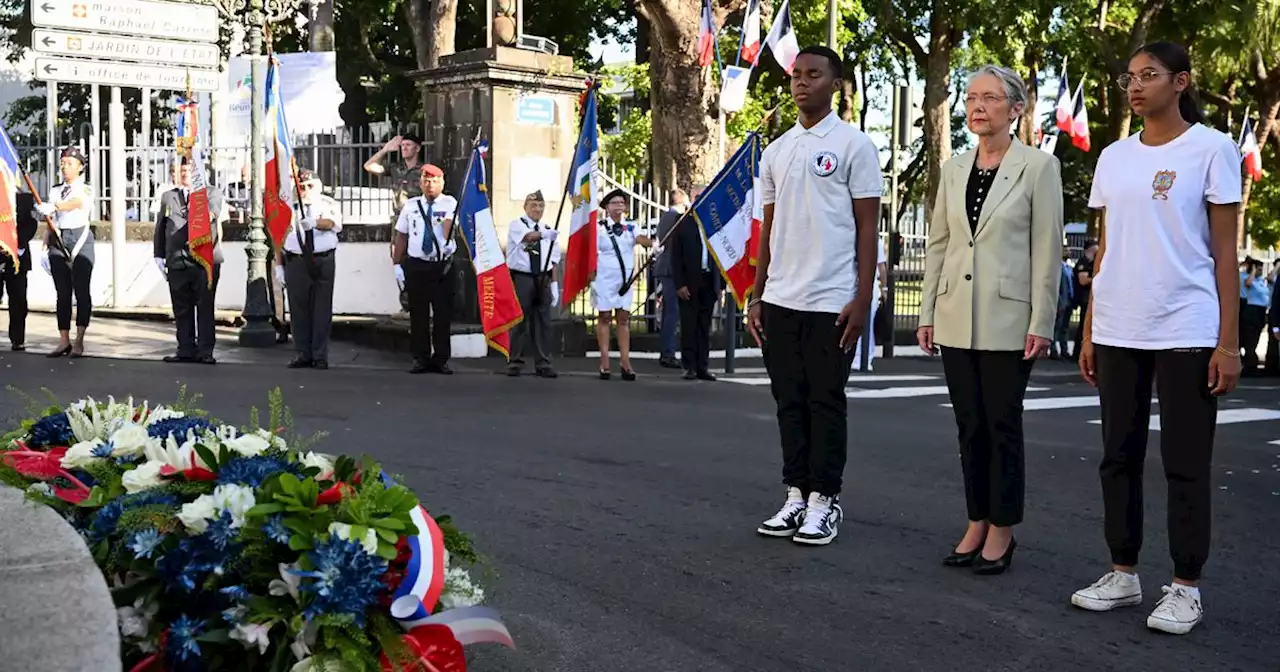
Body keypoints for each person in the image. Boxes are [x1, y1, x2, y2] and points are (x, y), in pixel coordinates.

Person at [1071, 42, 1241, 636]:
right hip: (1119, 323)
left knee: (1185, 463)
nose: (1136, 86)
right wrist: (1090, 329)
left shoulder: (1213, 149)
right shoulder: (1115, 157)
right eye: (1130, 77)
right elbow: (1107, 247)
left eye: (1150, 76)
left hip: (1186, 326)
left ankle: (1186, 587)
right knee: (1117, 455)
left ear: (1181, 82)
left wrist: (1228, 342)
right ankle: (1123, 573)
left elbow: (1225, 254)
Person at [918, 64, 1065, 575]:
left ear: (1016, 108)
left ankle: (1003, 528)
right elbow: (940, 243)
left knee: (1002, 424)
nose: (977, 106)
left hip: (1009, 317)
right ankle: (976, 519)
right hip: (957, 315)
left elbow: (1048, 250)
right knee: (968, 425)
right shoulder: (955, 167)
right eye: (971, 97)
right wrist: (928, 310)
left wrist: (1042, 320)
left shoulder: (1038, 167)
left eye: (990, 98)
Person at [748, 46, 881, 546]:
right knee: (789, 401)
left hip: (832, 299)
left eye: (814, 74)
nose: (802, 82)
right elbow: (769, 229)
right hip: (781, 297)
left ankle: (825, 500)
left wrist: (863, 296)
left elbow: (868, 227)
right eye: (796, 75)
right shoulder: (777, 151)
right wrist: (757, 295)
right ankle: (796, 495)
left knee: (825, 401)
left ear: (835, 84)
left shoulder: (855, 146)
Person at [153, 157, 227, 365]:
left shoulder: (211, 193)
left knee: (204, 306)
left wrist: (198, 200)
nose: (184, 173)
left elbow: (212, 214)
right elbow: (161, 226)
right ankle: (185, 348)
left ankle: (205, 350)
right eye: (181, 170)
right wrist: (158, 254)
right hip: (176, 258)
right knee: (181, 307)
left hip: (203, 259)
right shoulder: (168, 196)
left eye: (188, 170)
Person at [392, 164, 458, 375]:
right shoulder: (411, 206)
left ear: (442, 182)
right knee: (418, 314)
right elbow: (401, 235)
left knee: (442, 314)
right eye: (426, 181)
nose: (430, 185)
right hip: (417, 265)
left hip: (441, 266)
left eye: (434, 181)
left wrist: (448, 238)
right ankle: (420, 358)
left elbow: (449, 223)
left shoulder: (450, 202)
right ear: (420, 183)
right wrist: (396, 263)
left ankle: (441, 359)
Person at [276, 169, 343, 370]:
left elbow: (332, 223)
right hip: (296, 261)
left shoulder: (328, 203)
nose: (305, 190)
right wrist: (279, 265)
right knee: (298, 310)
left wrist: (314, 223)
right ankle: (302, 353)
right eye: (302, 187)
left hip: (322, 260)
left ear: (318, 186)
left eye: (309, 186)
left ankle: (320, 355)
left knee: (321, 309)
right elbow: (278, 237)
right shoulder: (288, 207)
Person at [37, 146, 94, 358]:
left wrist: (55, 207)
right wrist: (44, 245)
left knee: (81, 291)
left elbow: (78, 203)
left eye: (70, 163)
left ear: (80, 167)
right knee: (62, 293)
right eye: (63, 163)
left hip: (80, 238)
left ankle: (79, 339)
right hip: (59, 239)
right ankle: (64, 340)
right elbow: (51, 222)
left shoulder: (85, 188)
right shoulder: (55, 190)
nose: (65, 167)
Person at [593, 188, 652, 380]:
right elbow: (590, 252)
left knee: (624, 318)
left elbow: (641, 239)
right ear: (607, 207)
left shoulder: (632, 227)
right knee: (604, 317)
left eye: (621, 203)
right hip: (604, 278)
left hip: (625, 279)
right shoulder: (598, 227)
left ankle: (625, 362)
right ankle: (604, 362)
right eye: (614, 203)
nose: (618, 206)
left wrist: (653, 244)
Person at [505, 190, 560, 378]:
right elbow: (529, 237)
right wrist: (545, 235)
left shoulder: (547, 228)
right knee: (519, 320)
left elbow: (553, 260)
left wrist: (554, 284)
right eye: (533, 205)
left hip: (542, 277)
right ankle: (515, 361)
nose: (537, 209)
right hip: (523, 277)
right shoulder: (517, 225)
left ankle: (543, 362)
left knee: (542, 322)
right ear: (525, 207)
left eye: (540, 206)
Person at [670, 183, 719, 381]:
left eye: (704, 195)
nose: (701, 199)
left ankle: (702, 367)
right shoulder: (682, 222)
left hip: (709, 281)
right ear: (691, 198)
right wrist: (680, 284)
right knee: (689, 325)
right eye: (697, 196)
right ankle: (688, 365)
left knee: (704, 326)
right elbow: (676, 256)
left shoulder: (715, 222)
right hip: (689, 282)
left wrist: (720, 286)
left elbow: (721, 257)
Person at [654, 188, 690, 369]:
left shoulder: (670, 216)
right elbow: (670, 242)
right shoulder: (672, 217)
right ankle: (667, 353)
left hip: (670, 268)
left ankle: (670, 351)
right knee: (672, 312)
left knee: (673, 312)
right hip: (669, 269)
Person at [0, 192, 36, 351]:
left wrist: (13, 246)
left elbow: (28, 228)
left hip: (17, 260)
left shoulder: (24, 205)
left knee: (18, 301)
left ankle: (17, 339)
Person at [852, 234, 889, 370]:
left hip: (865, 284)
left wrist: (884, 288)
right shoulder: (872, 239)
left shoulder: (873, 240)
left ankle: (864, 357)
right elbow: (882, 267)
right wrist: (884, 289)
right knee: (865, 322)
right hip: (865, 284)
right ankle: (864, 357)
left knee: (866, 322)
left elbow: (881, 266)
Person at [1238, 257, 1269, 372]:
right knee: (1248, 335)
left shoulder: (1260, 280)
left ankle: (1250, 360)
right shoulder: (1245, 277)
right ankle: (1248, 362)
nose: (1260, 272)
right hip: (1250, 309)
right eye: (1258, 269)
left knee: (1255, 335)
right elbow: (1248, 283)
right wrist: (1252, 270)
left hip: (1261, 311)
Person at [1073, 239, 1098, 361]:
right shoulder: (1084, 262)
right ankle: (1077, 353)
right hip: (1084, 299)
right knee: (1084, 326)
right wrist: (1099, 280)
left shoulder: (1092, 262)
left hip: (1090, 298)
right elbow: (1082, 280)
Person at [1051, 247, 1075, 359]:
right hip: (1061, 302)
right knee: (1056, 328)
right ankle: (1053, 350)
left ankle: (1064, 350)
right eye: (1066, 250)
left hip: (1069, 302)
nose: (1069, 252)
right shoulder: (1057, 268)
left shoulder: (1069, 268)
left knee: (1065, 328)